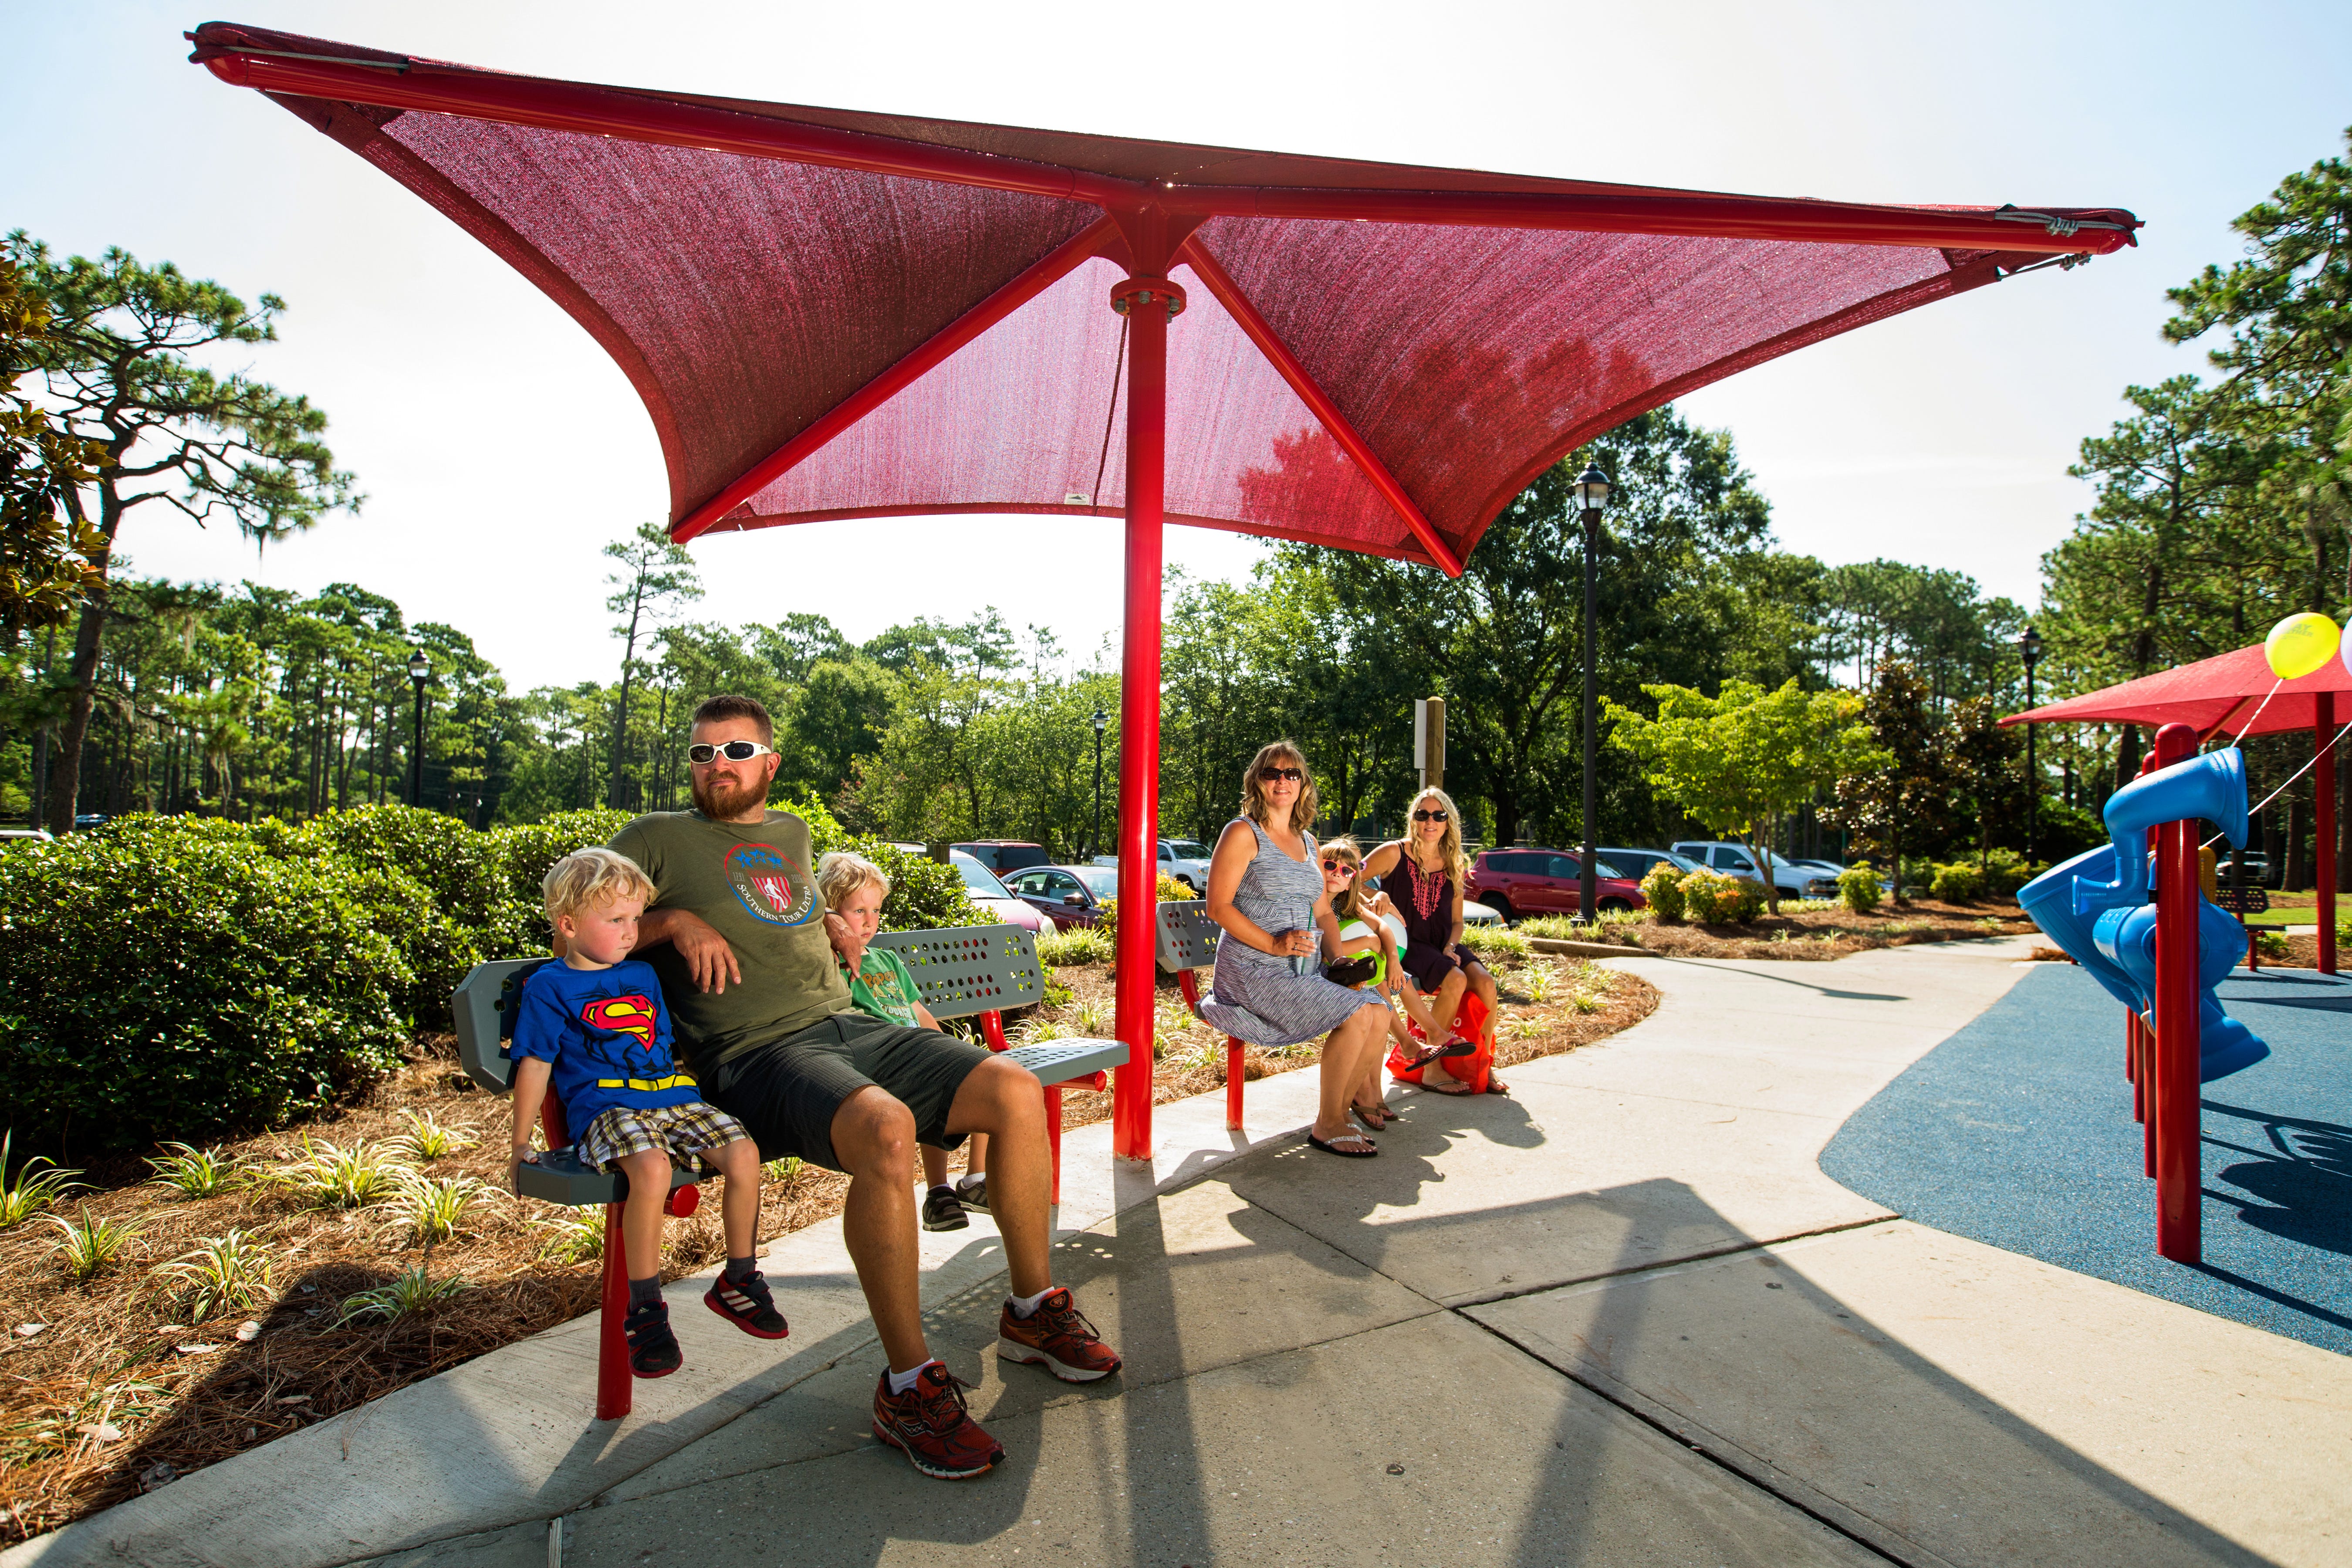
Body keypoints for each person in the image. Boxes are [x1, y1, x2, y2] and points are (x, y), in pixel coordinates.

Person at [612, 694, 1119, 1481]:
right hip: (751, 1053)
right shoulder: (655, 839)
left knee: (1014, 1089)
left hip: (846, 1024)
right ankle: (909, 1387)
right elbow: (575, 924)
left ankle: (1031, 1312)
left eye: (736, 751)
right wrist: (671, 923)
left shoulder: (791, 833)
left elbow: (788, 915)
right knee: (886, 1128)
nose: (717, 766)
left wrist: (835, 929)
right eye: (702, 753)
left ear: (769, 764)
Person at [509, 847, 784, 1381]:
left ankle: (740, 1279)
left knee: (745, 1153)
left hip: (670, 1097)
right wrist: (521, 1145)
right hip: (607, 1106)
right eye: (616, 920)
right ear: (567, 925)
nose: (632, 931)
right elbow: (536, 1064)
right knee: (653, 1170)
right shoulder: (550, 985)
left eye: (635, 918)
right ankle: (646, 1310)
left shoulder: (642, 974)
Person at [1202, 741, 1392, 1157]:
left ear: (1303, 784)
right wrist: (1273, 942)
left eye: (1292, 774)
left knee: (1379, 1010)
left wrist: (1337, 957)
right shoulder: (1242, 833)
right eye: (1273, 773)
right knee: (1357, 1011)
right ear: (1258, 781)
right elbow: (1217, 906)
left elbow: (1324, 914)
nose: (1283, 781)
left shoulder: (1307, 842)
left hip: (1300, 970)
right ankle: (1327, 1125)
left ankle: (1340, 1114)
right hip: (1253, 970)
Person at [816, 849, 988, 1233]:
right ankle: (940, 1191)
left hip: (916, 1049)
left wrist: (944, 1045)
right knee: (935, 1083)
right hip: (879, 1058)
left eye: (876, 911)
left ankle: (973, 1180)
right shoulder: (831, 964)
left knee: (977, 1069)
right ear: (830, 913)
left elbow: (919, 1012)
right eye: (858, 911)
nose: (869, 921)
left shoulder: (887, 961)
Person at [1362, 786, 1505, 1095]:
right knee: (1455, 979)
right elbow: (1346, 879)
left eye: (1438, 815)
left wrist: (1451, 948)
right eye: (1423, 814)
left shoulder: (1454, 863)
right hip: (1405, 943)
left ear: (1448, 821)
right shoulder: (1393, 852)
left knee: (1486, 984)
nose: (1431, 821)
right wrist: (1378, 894)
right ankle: (1431, 1068)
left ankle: (1483, 1063)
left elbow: (1456, 922)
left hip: (1442, 942)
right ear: (1414, 819)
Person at [1317, 836, 1461, 1128]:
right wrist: (1369, 940)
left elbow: (1383, 926)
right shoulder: (1314, 901)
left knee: (1386, 990)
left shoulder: (1347, 901)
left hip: (1354, 972)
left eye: (1348, 871)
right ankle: (1408, 1047)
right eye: (1330, 865)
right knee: (1380, 990)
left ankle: (1376, 1086)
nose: (1338, 873)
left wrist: (1393, 958)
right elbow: (1324, 949)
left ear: (1353, 879)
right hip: (1328, 971)